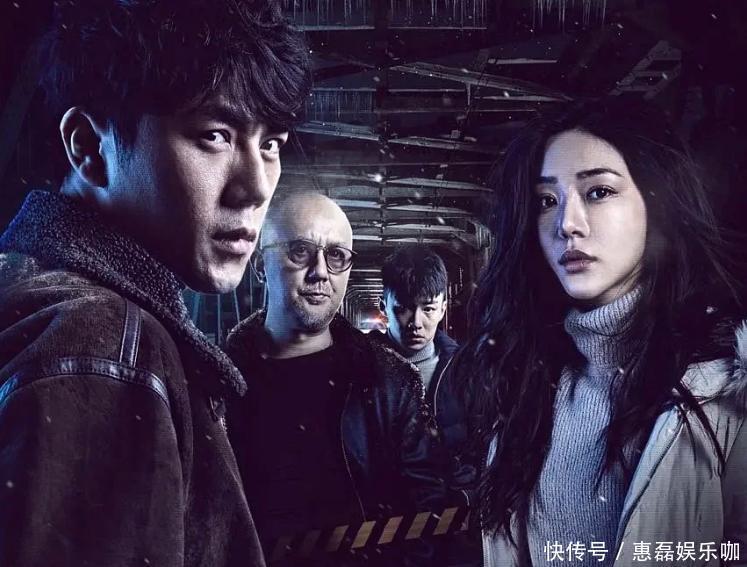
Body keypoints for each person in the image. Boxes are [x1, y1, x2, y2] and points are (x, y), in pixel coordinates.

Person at [0, 1, 311, 566]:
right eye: (215, 135)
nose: (257, 186)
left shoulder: (33, 289)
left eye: (270, 143)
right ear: (90, 147)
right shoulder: (100, 343)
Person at [448, 98, 747, 566]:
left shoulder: (729, 388)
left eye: (598, 192)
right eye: (546, 201)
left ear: (657, 202)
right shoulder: (525, 384)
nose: (567, 224)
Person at [224, 192, 445, 563]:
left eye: (337, 256)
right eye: (300, 251)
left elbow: (429, 516)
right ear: (260, 265)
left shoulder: (392, 384)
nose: (320, 272)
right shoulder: (217, 381)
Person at [368, 245, 480, 565]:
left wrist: (463, 495)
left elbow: (482, 449)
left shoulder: (465, 371)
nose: (416, 322)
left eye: (428, 309)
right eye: (403, 308)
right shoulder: (360, 371)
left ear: (443, 308)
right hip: (383, 535)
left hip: (454, 535)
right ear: (384, 306)